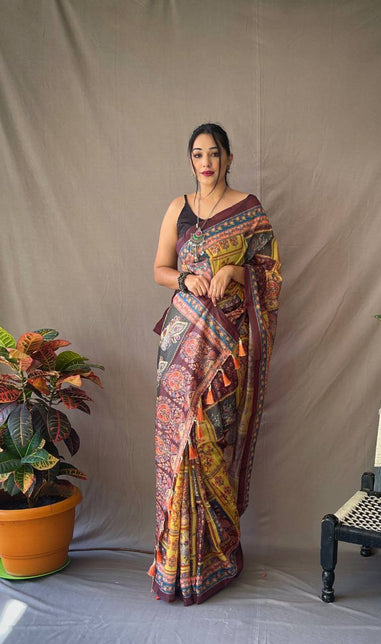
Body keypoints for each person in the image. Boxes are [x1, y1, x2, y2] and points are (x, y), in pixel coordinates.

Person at [148, 123, 282, 604]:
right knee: (179, 447)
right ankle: (175, 567)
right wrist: (185, 281)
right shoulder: (177, 209)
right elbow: (160, 268)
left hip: (227, 350)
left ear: (229, 158)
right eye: (197, 154)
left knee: (209, 443)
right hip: (181, 346)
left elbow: (271, 279)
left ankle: (217, 560)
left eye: (214, 153)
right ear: (190, 160)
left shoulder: (250, 210)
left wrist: (235, 270)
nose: (206, 162)